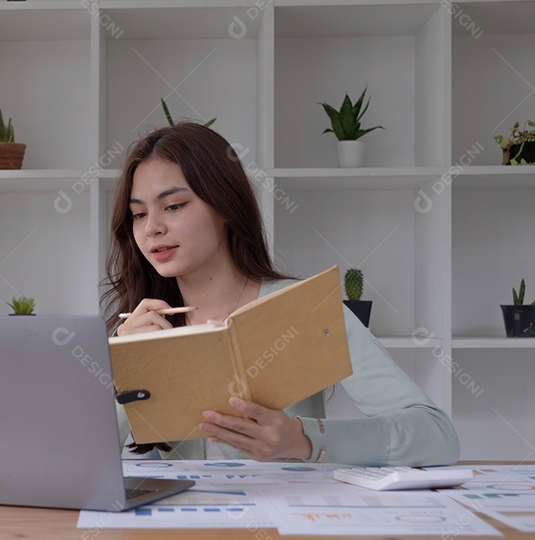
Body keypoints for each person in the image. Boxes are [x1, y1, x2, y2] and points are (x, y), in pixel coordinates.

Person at [103, 122, 459, 466]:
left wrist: (302, 439)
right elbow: (78, 460)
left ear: (225, 205)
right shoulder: (141, 328)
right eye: (138, 214)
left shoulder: (306, 310)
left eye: (174, 206)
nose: (152, 228)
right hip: (182, 527)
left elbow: (436, 435)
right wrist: (122, 368)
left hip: (287, 523)